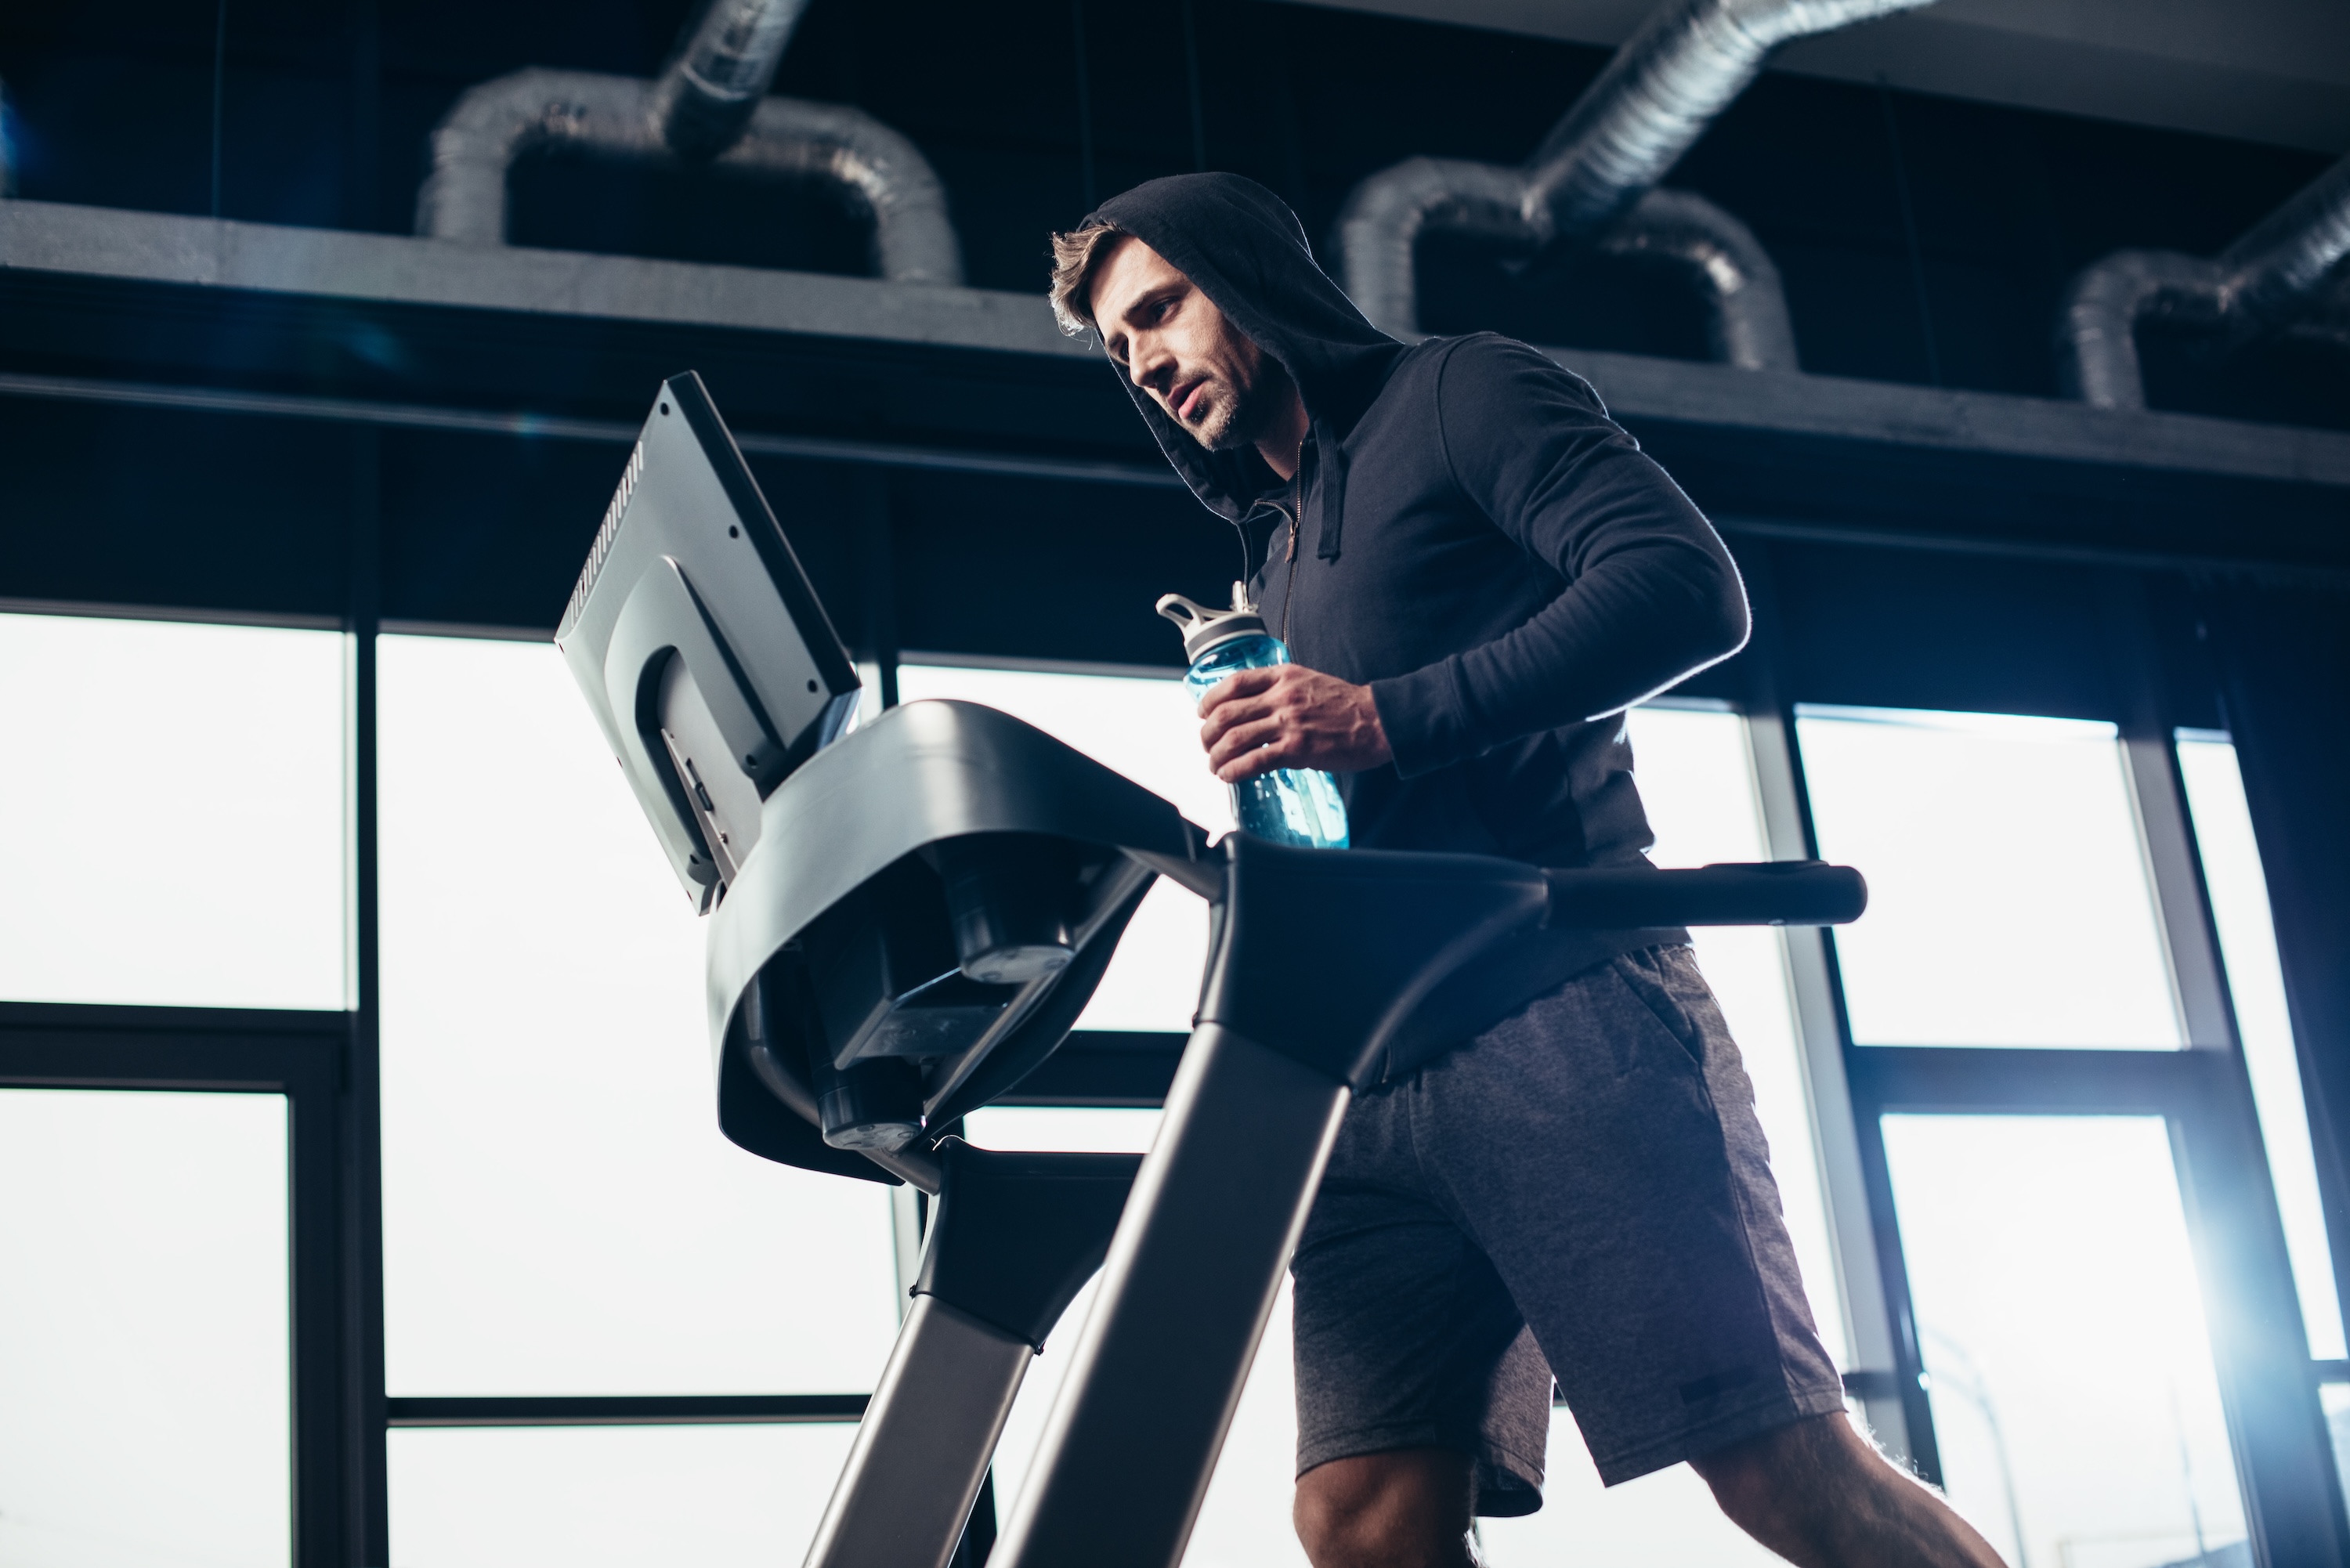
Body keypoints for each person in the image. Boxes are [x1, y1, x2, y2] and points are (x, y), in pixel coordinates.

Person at [1046, 173, 2006, 1568]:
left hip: (1564, 1015)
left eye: (1161, 310)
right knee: (1360, 1520)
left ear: (1246, 281)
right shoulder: (1273, 543)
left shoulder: (1460, 397)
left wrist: (1380, 715)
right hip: (1370, 1083)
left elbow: (1685, 588)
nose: (1146, 361)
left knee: (1778, 1467)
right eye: (1120, 349)